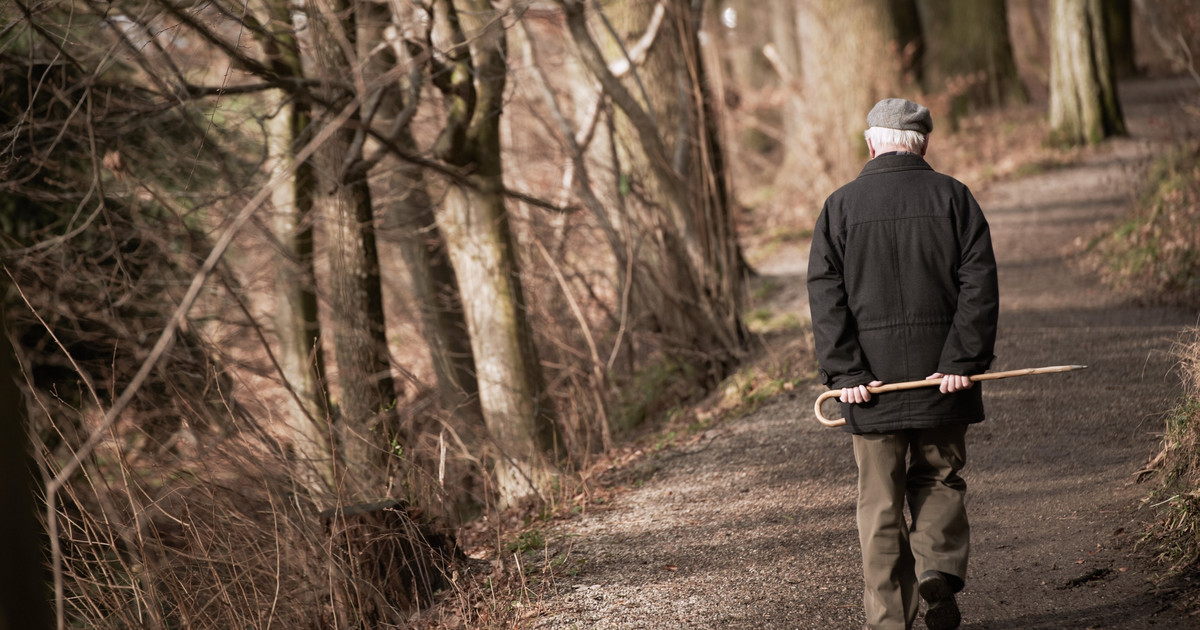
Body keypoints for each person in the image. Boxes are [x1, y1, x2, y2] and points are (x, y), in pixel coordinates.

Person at [806, 98, 999, 630]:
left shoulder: (839, 207)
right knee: (938, 477)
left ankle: (890, 622)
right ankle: (936, 567)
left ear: (870, 143)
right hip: (945, 382)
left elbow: (826, 298)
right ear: (924, 144)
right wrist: (962, 359)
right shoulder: (954, 198)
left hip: (870, 389)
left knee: (880, 505)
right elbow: (978, 286)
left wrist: (846, 374)